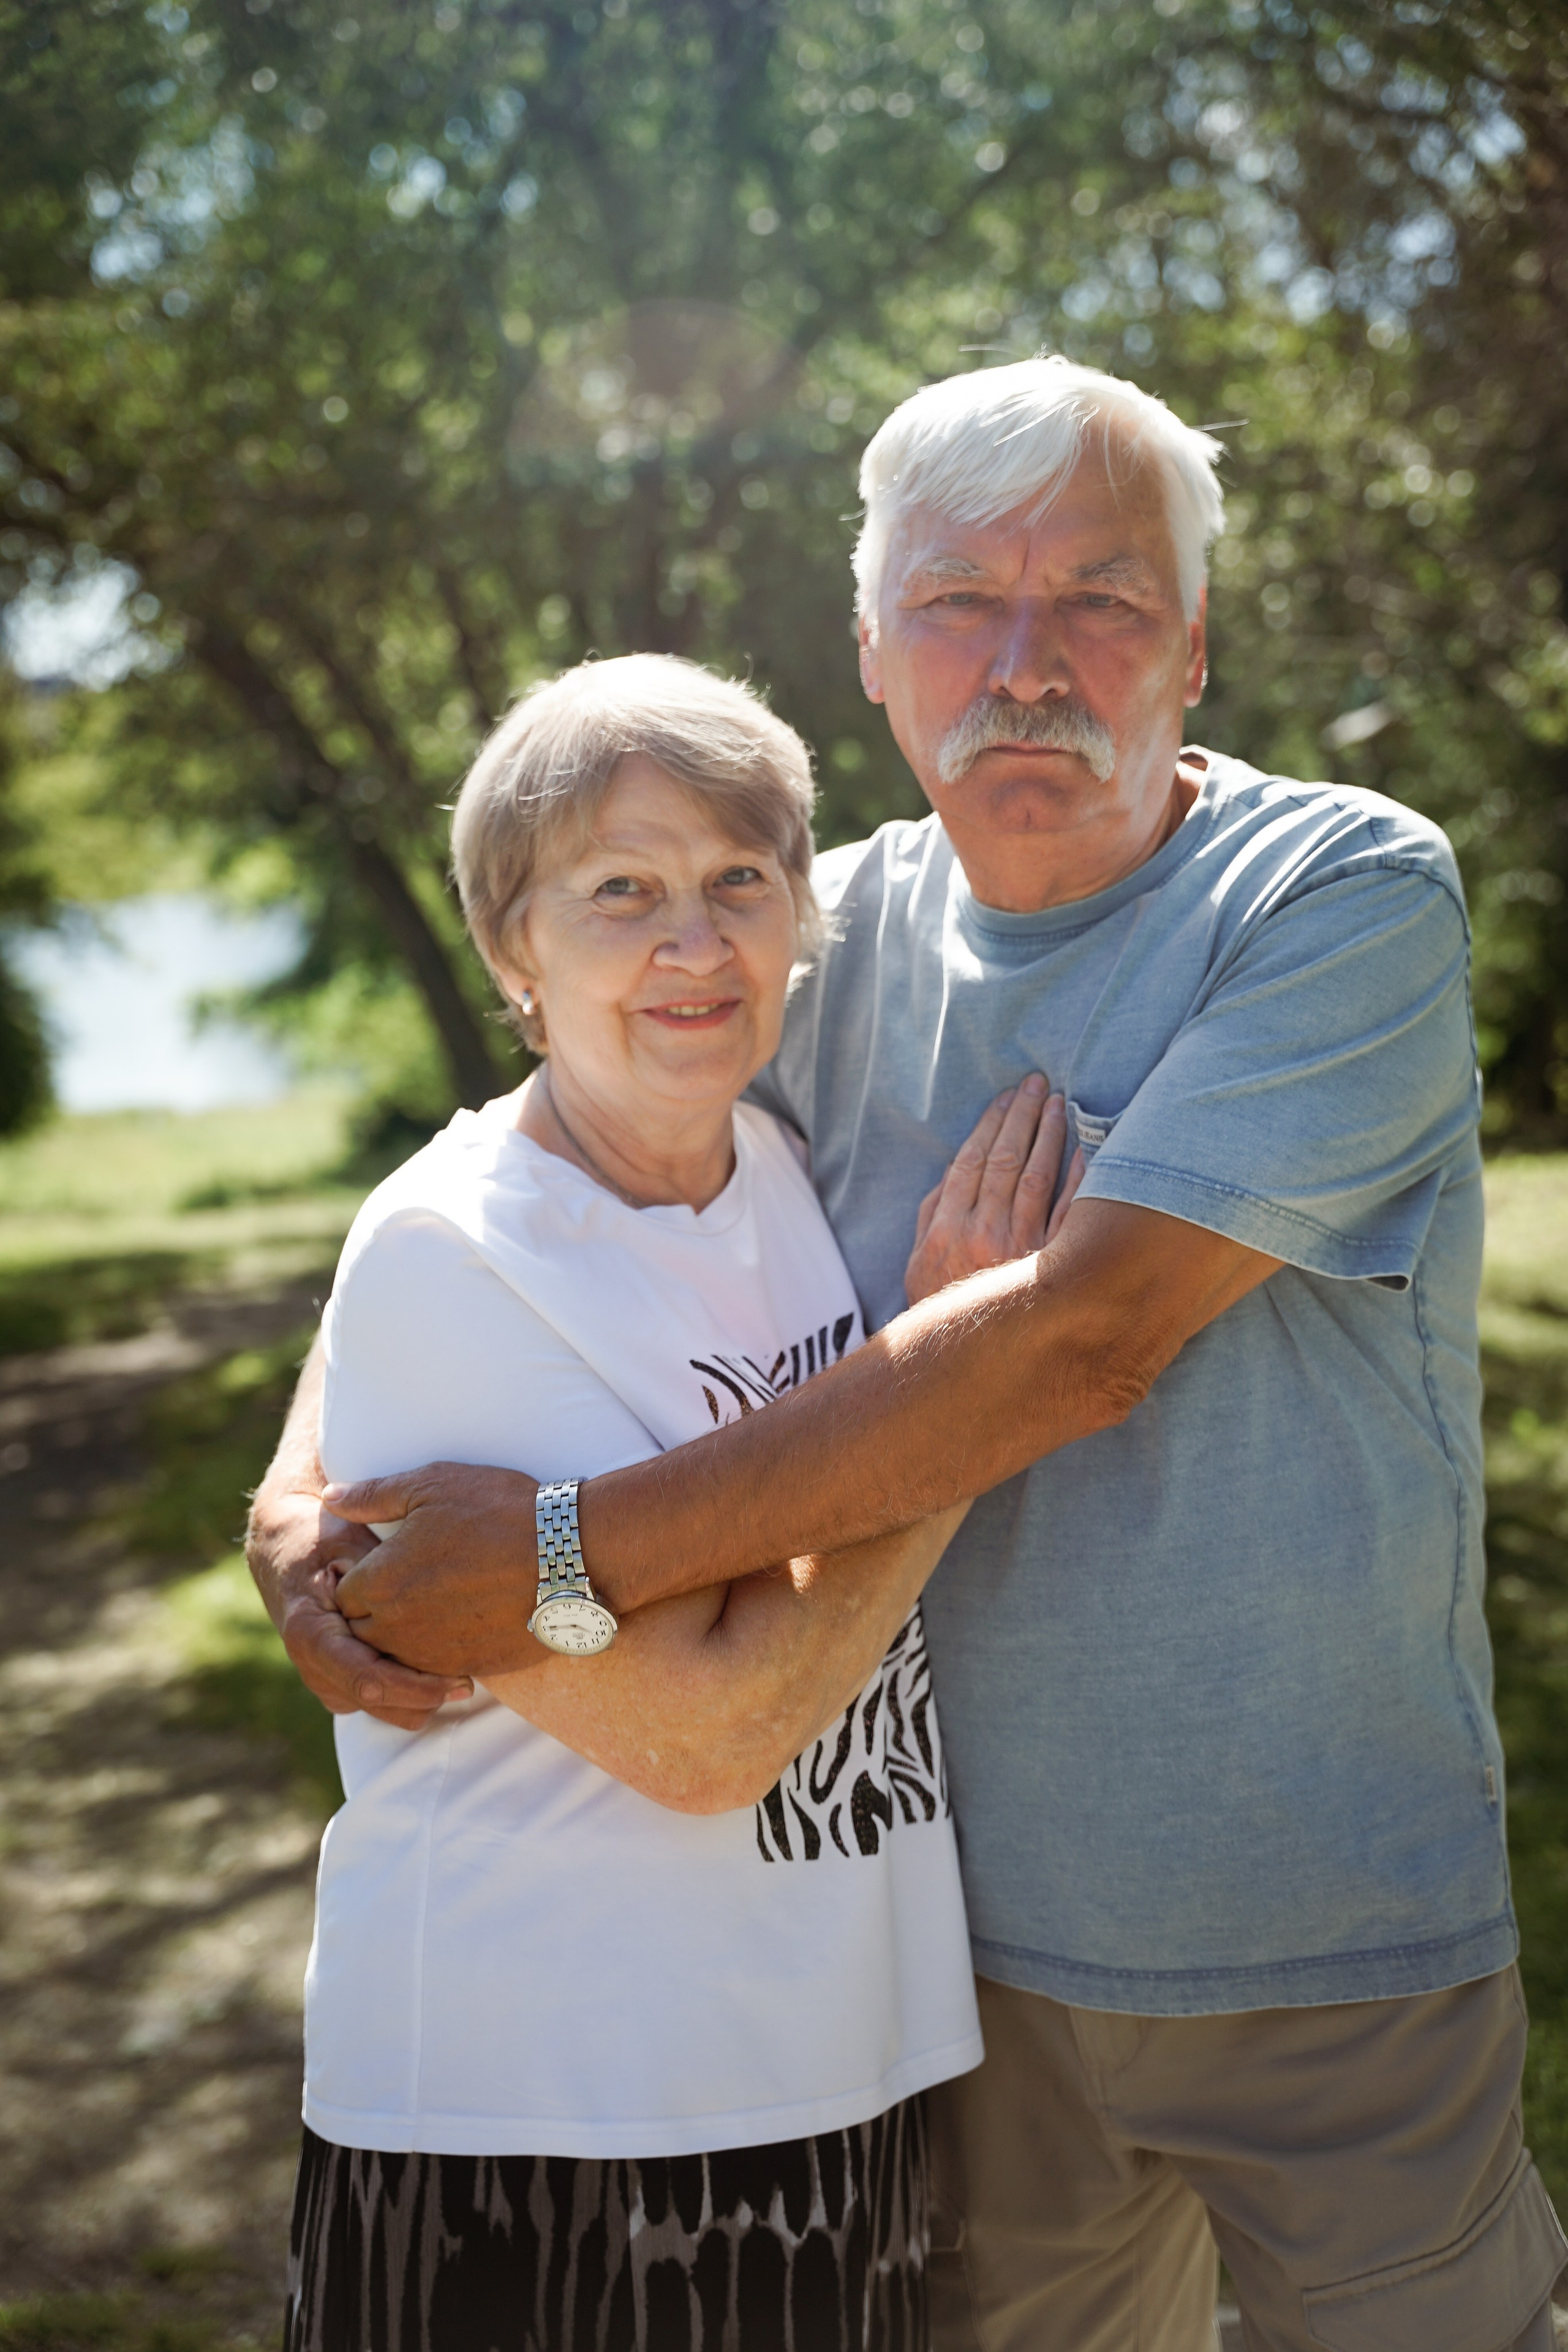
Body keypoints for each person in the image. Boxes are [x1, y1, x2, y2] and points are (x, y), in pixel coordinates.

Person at [251, 358, 1568, 2350]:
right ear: (872, 651)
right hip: (953, 1976)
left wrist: (556, 1556)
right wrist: (305, 1486)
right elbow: (491, 1175)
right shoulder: (809, 931)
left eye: (1105, 600)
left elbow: (1086, 1341)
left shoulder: (1335, 895)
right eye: (960, 599)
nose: (1027, 663)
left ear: (1194, 646)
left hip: (1328, 1937)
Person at [277, 654, 1068, 2352]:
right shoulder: (458, 1250)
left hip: (823, 2075)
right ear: (514, 948)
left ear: (799, 915)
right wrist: (954, 1385)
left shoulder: (771, 1160)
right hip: (551, 2116)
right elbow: (703, 1742)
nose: (693, 946)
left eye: (736, 885)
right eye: (619, 892)